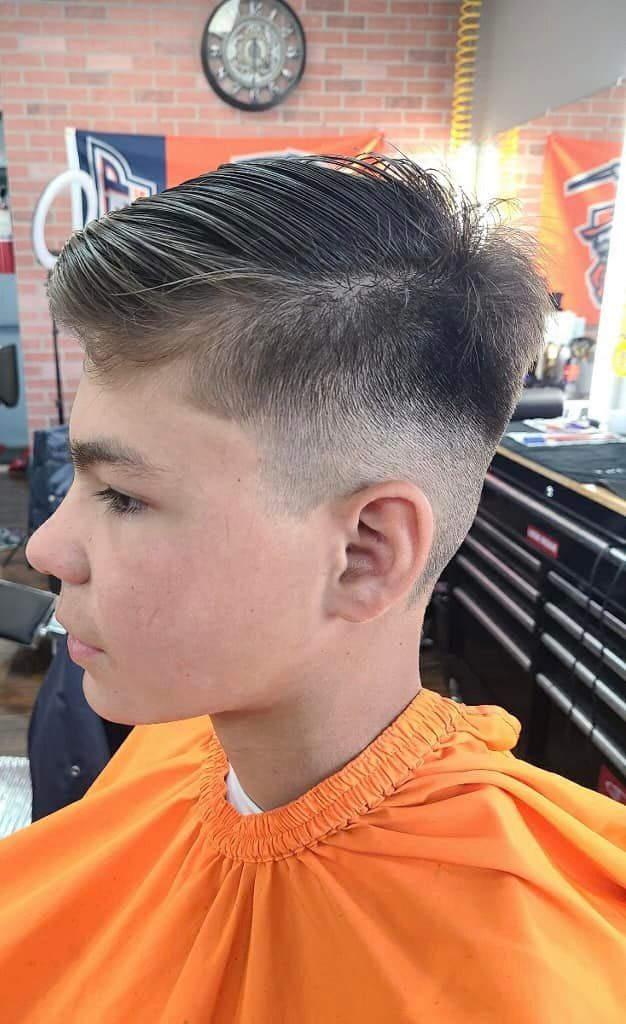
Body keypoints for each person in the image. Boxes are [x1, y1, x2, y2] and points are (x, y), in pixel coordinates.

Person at [0, 156, 624, 1023]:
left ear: (366, 553)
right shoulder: (168, 746)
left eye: (124, 495)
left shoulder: (534, 985)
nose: (48, 545)